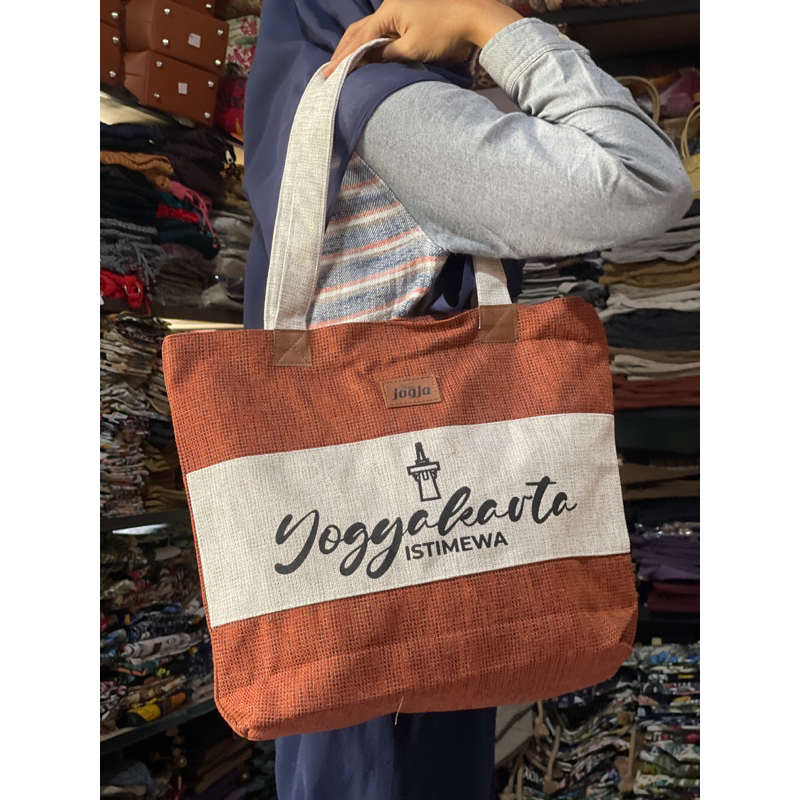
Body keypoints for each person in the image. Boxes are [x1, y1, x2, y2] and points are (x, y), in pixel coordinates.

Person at [242, 1, 693, 798]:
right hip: (403, 573)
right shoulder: (391, 105)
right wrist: (492, 25)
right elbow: (644, 178)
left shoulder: (310, 83)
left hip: (350, 551)